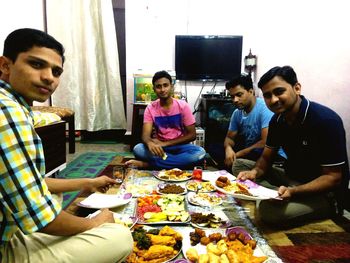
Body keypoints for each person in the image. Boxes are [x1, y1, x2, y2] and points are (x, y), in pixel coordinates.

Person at [0, 28, 133, 262]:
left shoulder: (14, 105)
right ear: (5, 66)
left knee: (53, 197)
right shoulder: (8, 112)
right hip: (6, 246)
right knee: (119, 237)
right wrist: (95, 223)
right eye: (36, 64)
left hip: (12, 228)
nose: (49, 77)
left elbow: (29, 183)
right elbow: (41, 218)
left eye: (56, 71)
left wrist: (88, 182)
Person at [235, 65, 349, 227]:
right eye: (267, 95)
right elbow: (266, 158)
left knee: (269, 212)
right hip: (291, 179)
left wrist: (294, 192)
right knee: (239, 165)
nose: (273, 99)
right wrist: (254, 172)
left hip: (324, 193)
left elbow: (333, 178)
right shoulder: (277, 120)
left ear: (297, 88)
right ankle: (274, 193)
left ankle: (271, 196)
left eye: (279, 92)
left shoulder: (325, 121)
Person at [126, 70, 206, 169]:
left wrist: (165, 144)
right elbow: (145, 135)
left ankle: (149, 165)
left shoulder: (183, 106)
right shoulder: (150, 108)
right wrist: (150, 143)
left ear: (171, 86)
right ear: (154, 89)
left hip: (180, 146)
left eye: (165, 85)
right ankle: (179, 163)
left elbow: (192, 135)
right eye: (158, 86)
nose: (163, 89)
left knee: (200, 152)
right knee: (138, 149)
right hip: (159, 148)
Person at [208, 74, 285, 169]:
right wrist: (228, 149)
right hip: (248, 150)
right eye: (232, 97)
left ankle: (233, 165)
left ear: (251, 91)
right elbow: (229, 138)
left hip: (267, 152)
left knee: (255, 153)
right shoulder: (237, 113)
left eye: (239, 95)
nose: (235, 100)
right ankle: (234, 164)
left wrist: (239, 153)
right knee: (213, 147)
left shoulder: (264, 109)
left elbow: (266, 142)